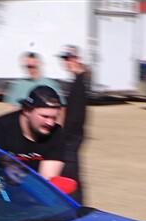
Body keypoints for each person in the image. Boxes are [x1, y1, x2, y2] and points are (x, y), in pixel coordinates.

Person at [0, 85, 65, 179]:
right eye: (45, 116)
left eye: (54, 117)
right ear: (27, 111)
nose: (50, 123)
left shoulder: (56, 133)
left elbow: (48, 181)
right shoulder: (1, 128)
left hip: (32, 189)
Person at [58, 45, 88, 203]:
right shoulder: (77, 81)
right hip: (73, 138)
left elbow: (75, 116)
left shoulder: (80, 82)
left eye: (68, 58)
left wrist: (62, 136)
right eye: (63, 58)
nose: (65, 62)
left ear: (76, 59)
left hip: (71, 140)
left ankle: (78, 209)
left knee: (70, 178)